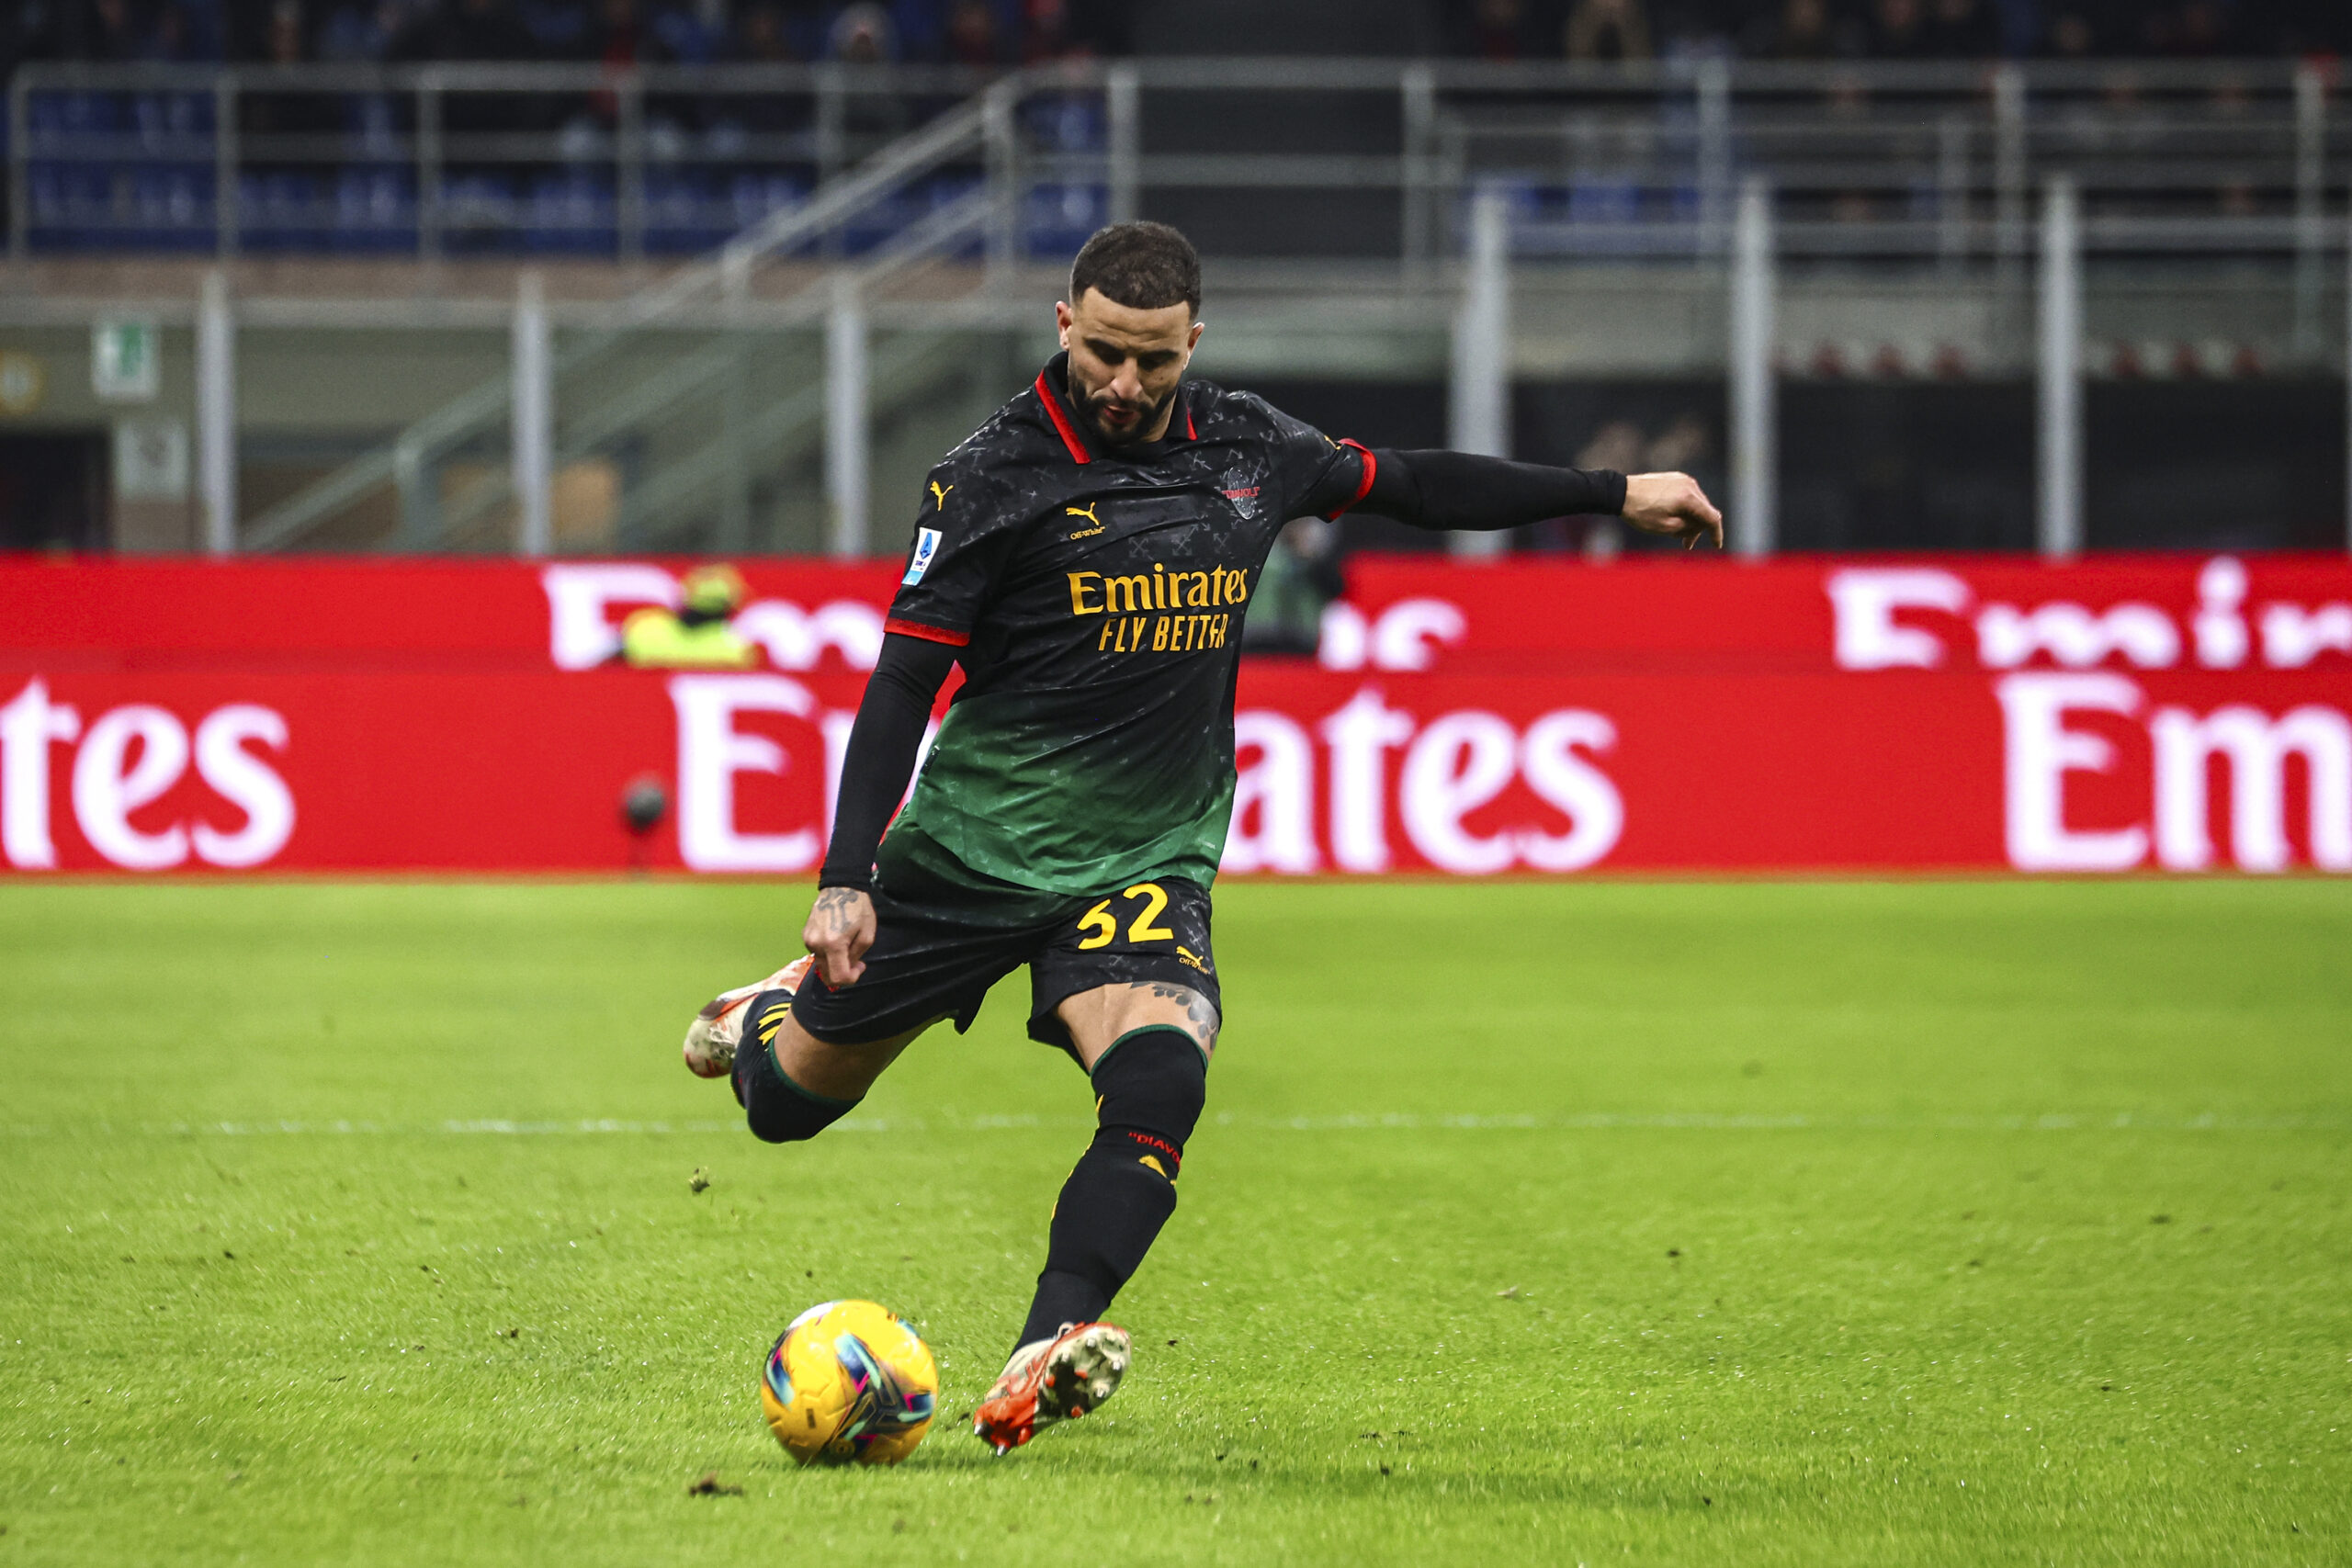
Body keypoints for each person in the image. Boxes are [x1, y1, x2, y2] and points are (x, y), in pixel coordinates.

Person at [677, 221, 1723, 1456]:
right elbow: (903, 682)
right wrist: (847, 879)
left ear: (1194, 343)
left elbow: (1412, 484)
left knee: (1165, 1078)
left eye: (1154, 361)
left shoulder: (1246, 445)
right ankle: (767, 1013)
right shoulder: (988, 477)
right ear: (1064, 326)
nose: (1125, 384)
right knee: (785, 1109)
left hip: (1146, 854)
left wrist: (1612, 492)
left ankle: (1044, 1348)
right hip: (971, 852)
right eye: (1104, 354)